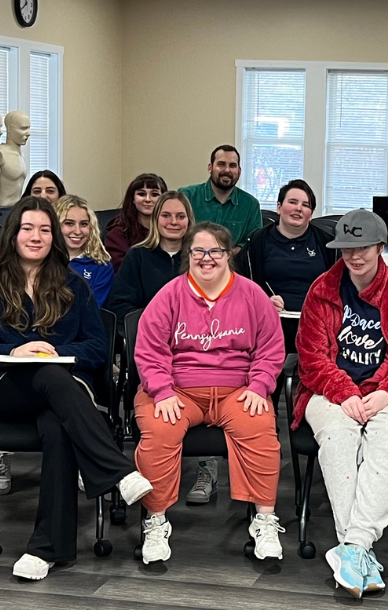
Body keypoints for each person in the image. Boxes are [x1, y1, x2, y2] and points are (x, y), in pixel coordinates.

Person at [0, 197, 154, 580]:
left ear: (53, 236)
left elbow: (96, 347)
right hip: (5, 394)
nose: (36, 236)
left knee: (58, 420)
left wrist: (56, 351)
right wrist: (14, 350)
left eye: (44, 229)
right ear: (12, 234)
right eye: (28, 228)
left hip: (63, 396)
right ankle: (116, 469)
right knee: (45, 372)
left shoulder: (72, 283)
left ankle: (46, 550)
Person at [294, 209, 388, 597]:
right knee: (339, 438)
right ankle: (359, 549)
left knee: (387, 439)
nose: (354, 257)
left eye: (362, 248)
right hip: (329, 391)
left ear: (379, 247)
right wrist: (345, 393)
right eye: (346, 249)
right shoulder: (322, 289)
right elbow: (310, 358)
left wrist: (386, 392)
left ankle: (352, 547)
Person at [131, 222, 287, 564]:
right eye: (198, 251)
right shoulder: (169, 295)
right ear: (187, 254)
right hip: (177, 390)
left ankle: (263, 521)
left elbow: (271, 348)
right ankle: (155, 521)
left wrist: (260, 385)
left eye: (215, 251)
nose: (206, 258)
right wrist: (161, 390)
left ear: (229, 254)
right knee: (159, 429)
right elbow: (149, 349)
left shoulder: (252, 295)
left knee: (259, 427)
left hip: (237, 389)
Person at [236, 179, 338, 312]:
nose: (298, 208)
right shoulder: (257, 240)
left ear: (311, 214)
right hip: (270, 318)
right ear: (279, 207)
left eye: (306, 205)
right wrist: (261, 300)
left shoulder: (327, 243)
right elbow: (239, 283)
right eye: (292, 202)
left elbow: (341, 286)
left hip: (317, 319)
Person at [105, 191, 194, 319]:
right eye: (166, 215)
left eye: (180, 216)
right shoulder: (137, 256)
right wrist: (155, 319)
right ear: (155, 219)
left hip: (194, 333)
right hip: (149, 331)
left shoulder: (199, 258)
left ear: (189, 220)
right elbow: (119, 305)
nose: (174, 222)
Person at [179, 145, 262, 242]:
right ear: (210, 168)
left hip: (233, 257)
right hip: (191, 256)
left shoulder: (251, 205)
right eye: (221, 164)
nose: (227, 170)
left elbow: (254, 242)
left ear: (239, 171)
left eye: (232, 165)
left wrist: (226, 253)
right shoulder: (187, 196)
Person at [54, 195, 116, 306]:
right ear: (55, 226)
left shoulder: (102, 267)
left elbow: (91, 309)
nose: (77, 231)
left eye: (83, 224)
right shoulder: (41, 262)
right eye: (69, 223)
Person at [106, 173, 168, 269]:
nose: (148, 199)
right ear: (133, 199)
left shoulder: (171, 230)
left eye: (155, 194)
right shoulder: (118, 234)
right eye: (141, 194)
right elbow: (124, 271)